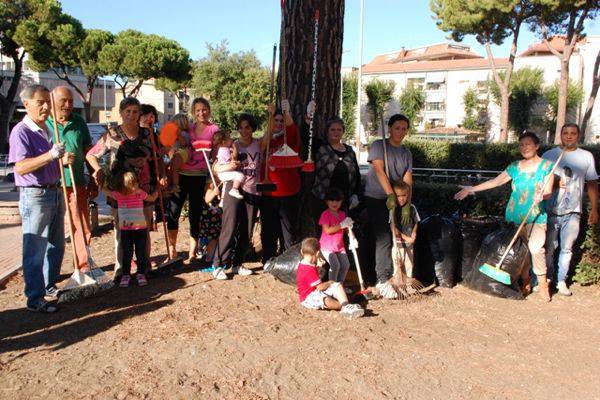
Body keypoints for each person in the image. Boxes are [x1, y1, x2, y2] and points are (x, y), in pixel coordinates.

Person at [455, 132, 556, 302]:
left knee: (535, 248)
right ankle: (524, 281)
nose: (524, 147)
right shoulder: (515, 167)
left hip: (536, 215)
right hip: (514, 217)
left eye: (528, 144)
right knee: (519, 252)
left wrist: (542, 195)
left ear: (537, 146)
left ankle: (543, 283)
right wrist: (471, 189)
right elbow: (495, 182)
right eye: (521, 144)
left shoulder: (547, 166)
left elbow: (548, 190)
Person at [9, 84, 74, 313]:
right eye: (40, 102)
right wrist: (50, 155)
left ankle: (48, 286)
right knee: (35, 247)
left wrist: (61, 160)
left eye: (48, 101)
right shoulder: (21, 131)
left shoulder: (46, 129)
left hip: (54, 190)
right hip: (35, 195)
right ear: (26, 105)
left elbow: (49, 161)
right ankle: (35, 298)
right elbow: (21, 167)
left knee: (56, 245)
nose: (46, 106)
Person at [87, 97, 163, 278]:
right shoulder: (111, 134)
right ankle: (122, 270)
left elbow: (157, 156)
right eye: (127, 111)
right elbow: (91, 155)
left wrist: (163, 175)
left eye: (135, 111)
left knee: (143, 230)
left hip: (143, 189)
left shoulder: (147, 134)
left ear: (139, 114)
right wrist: (98, 169)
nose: (131, 115)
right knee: (122, 232)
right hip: (120, 191)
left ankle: (144, 268)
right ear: (121, 113)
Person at [542, 123, 598, 296]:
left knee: (567, 248)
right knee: (549, 248)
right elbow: (539, 181)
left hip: (573, 211)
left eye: (573, 133)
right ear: (560, 134)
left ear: (578, 136)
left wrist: (595, 208)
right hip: (550, 211)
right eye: (565, 133)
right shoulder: (549, 155)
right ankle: (546, 279)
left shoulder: (586, 156)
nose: (569, 136)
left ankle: (561, 281)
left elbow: (592, 184)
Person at [212, 113, 269, 279]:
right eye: (241, 127)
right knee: (229, 226)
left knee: (247, 229)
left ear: (252, 128)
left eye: (248, 127)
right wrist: (226, 167)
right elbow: (216, 166)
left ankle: (237, 263)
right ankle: (219, 264)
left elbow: (269, 133)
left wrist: (271, 114)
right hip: (234, 188)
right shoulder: (232, 144)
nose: (244, 130)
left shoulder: (258, 144)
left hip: (253, 190)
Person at [363, 114, 413, 299]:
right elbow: (379, 170)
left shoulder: (406, 153)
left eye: (403, 128)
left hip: (397, 200)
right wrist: (390, 194)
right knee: (383, 237)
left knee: (395, 238)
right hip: (377, 197)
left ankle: (393, 274)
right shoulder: (378, 146)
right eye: (397, 128)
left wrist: (406, 203)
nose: (400, 132)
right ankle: (382, 280)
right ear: (390, 128)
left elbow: (408, 179)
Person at [46, 86, 94, 273]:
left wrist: (93, 177)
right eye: (63, 101)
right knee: (53, 231)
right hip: (52, 186)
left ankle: (82, 267)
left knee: (81, 225)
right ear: (52, 101)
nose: (68, 105)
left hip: (76, 183)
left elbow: (88, 152)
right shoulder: (45, 123)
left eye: (71, 101)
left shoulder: (79, 122)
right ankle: (50, 273)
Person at [166, 97, 219, 262]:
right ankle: (172, 251)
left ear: (209, 110)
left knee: (195, 215)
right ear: (193, 112)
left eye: (204, 109)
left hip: (199, 177)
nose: (201, 113)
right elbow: (174, 143)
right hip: (182, 175)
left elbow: (216, 156)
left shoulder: (214, 130)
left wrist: (212, 178)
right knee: (173, 213)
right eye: (197, 110)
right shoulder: (189, 128)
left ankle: (192, 252)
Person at [103, 172, 158, 287]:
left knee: (133, 252)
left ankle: (132, 274)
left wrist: (101, 184)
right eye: (135, 182)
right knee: (135, 252)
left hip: (131, 229)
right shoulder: (134, 193)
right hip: (136, 229)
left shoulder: (122, 194)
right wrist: (157, 191)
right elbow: (152, 198)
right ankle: (133, 274)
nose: (137, 184)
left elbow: (106, 191)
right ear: (131, 183)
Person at [296, 237, 364, 318]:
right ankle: (343, 306)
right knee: (326, 299)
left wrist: (319, 268)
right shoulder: (309, 269)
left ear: (301, 252)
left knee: (337, 285)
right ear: (317, 253)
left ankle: (346, 306)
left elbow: (313, 280)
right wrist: (330, 282)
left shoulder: (303, 263)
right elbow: (320, 287)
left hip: (314, 291)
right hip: (308, 297)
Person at [312, 117, 362, 227]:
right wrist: (308, 118)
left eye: (339, 130)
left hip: (344, 200)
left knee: (342, 232)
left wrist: (356, 195)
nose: (336, 132)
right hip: (323, 199)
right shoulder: (320, 147)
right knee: (325, 233)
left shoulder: (349, 151)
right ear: (327, 132)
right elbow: (306, 137)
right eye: (333, 130)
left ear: (343, 132)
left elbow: (356, 175)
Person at [318, 188, 353, 283]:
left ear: (342, 201)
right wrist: (341, 225)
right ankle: (332, 287)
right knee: (335, 266)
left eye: (338, 200)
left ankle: (340, 286)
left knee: (345, 265)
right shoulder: (325, 214)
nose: (335, 203)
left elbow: (347, 229)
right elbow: (327, 230)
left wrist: (352, 237)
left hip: (339, 246)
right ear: (327, 202)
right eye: (332, 200)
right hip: (327, 247)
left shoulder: (342, 214)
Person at [391, 181, 420, 281]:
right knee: (397, 267)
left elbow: (416, 221)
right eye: (398, 196)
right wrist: (406, 238)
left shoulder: (412, 208)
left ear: (408, 195)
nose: (401, 198)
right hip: (397, 245)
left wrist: (414, 232)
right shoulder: (393, 210)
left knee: (409, 266)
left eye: (404, 195)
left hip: (409, 245)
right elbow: (393, 228)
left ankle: (408, 286)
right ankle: (398, 287)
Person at [213, 129, 245, 199]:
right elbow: (230, 162)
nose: (232, 140)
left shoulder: (224, 149)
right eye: (230, 138)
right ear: (225, 142)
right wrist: (235, 161)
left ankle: (224, 198)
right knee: (240, 176)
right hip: (224, 173)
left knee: (235, 177)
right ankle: (234, 189)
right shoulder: (225, 150)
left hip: (223, 172)